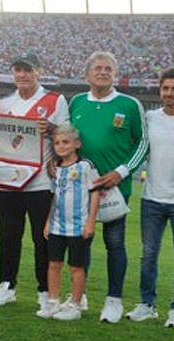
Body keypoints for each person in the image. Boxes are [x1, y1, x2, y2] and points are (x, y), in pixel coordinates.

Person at [69, 51, 148, 323]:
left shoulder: (129, 104)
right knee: (81, 243)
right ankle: (79, 296)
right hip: (81, 187)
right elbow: (67, 140)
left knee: (115, 243)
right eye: (98, 68)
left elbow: (142, 143)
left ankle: (113, 300)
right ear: (87, 74)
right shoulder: (77, 102)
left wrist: (122, 171)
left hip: (114, 187)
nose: (103, 72)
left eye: (108, 69)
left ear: (115, 74)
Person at [124, 68, 174, 329]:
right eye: (165, 88)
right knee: (148, 254)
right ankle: (147, 304)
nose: (169, 93)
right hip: (152, 198)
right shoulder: (150, 117)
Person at [0, 53, 69, 308]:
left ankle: (44, 290)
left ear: (38, 72)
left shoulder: (55, 100)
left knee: (41, 238)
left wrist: (53, 129)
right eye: (18, 70)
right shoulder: (3, 104)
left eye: (28, 70)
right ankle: (6, 285)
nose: (22, 75)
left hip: (40, 182)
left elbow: (68, 136)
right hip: (9, 180)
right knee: (8, 236)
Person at [38, 125, 100, 321]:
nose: (61, 146)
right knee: (54, 264)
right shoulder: (55, 168)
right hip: (57, 225)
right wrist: (48, 221)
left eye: (65, 142)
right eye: (57, 143)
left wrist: (91, 222)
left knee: (76, 266)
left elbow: (96, 193)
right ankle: (53, 302)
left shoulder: (86, 166)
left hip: (78, 226)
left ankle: (75, 304)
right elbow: (55, 196)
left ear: (77, 144)